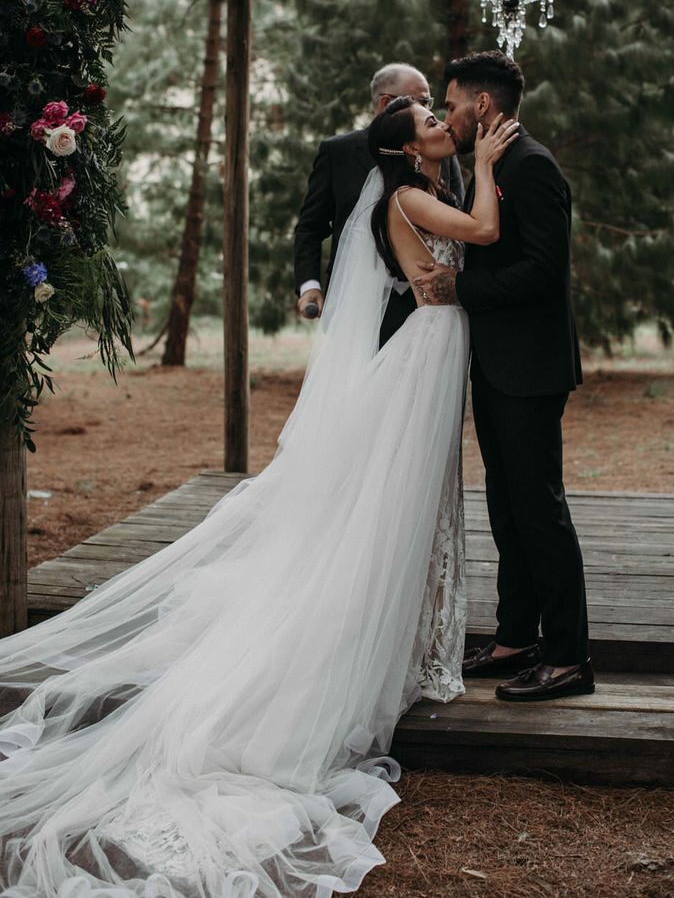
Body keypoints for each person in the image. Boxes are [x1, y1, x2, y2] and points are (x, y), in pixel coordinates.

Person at [0, 99, 515, 898]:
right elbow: (480, 233)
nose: (439, 123)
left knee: (414, 505)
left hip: (436, 346)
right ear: (404, 146)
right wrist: (484, 170)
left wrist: (470, 174)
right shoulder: (409, 195)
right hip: (426, 347)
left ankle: (407, 642)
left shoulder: (417, 183)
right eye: (427, 118)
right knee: (394, 504)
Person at [415, 50, 593, 703]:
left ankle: (570, 654)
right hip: (496, 365)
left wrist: (461, 288)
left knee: (539, 508)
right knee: (507, 507)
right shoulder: (488, 167)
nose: (447, 114)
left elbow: (545, 271)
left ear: (482, 106)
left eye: (453, 102)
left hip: (531, 366)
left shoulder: (533, 168)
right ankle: (517, 635)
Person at [294, 62, 464, 345]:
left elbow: (459, 217)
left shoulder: (441, 151)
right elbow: (310, 227)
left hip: (422, 305)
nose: (431, 113)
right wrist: (309, 286)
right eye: (422, 102)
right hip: (355, 304)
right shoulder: (338, 152)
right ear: (387, 102)